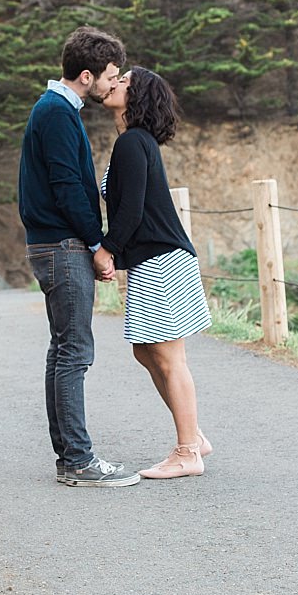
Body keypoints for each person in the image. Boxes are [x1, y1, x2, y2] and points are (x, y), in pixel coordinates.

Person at [18, 26, 139, 487]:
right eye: (110, 76)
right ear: (87, 76)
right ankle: (78, 460)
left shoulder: (54, 110)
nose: (113, 83)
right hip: (62, 245)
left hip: (55, 244)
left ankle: (70, 457)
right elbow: (68, 188)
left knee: (63, 350)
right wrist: (97, 245)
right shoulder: (55, 112)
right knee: (74, 352)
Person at [99, 67, 213, 479]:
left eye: (124, 80)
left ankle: (187, 453)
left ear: (138, 95)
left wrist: (107, 250)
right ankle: (194, 436)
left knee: (168, 356)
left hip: (163, 261)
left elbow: (131, 210)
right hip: (158, 258)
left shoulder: (133, 142)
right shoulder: (134, 141)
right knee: (146, 351)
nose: (115, 82)